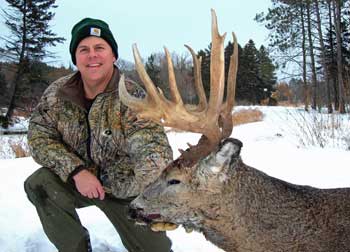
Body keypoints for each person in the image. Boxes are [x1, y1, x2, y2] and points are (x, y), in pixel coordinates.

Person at [24, 17, 173, 252]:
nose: (92, 55)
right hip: (77, 182)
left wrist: (154, 196)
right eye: (84, 49)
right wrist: (76, 171)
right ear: (75, 58)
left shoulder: (133, 97)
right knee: (39, 183)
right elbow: (39, 137)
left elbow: (152, 149)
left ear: (113, 55)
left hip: (127, 191)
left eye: (99, 48)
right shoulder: (57, 93)